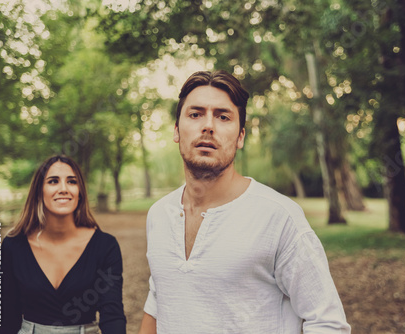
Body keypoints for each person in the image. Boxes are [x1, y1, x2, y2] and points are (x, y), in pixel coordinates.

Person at [138, 70, 351, 333]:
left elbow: (327, 322)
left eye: (223, 116)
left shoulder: (279, 217)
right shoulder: (158, 215)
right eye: (195, 114)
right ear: (176, 130)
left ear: (240, 136)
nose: (208, 126)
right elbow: (159, 301)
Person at [0, 155, 126, 334]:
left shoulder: (105, 246)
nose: (64, 189)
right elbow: (6, 316)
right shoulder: (13, 246)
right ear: (39, 190)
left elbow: (112, 316)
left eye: (72, 181)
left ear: (80, 191)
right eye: (53, 181)